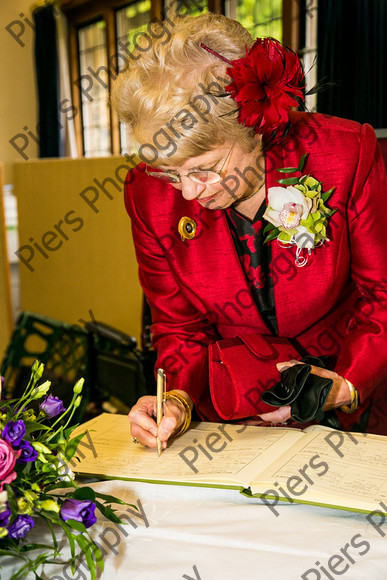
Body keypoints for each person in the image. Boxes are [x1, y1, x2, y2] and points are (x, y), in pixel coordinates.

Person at [112, 12, 387, 448]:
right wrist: (178, 399)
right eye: (169, 174)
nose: (185, 193)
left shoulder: (346, 155)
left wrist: (345, 385)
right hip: (236, 416)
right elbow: (179, 328)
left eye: (203, 171)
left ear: (254, 129)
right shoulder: (148, 195)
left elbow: (383, 295)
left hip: (354, 399)